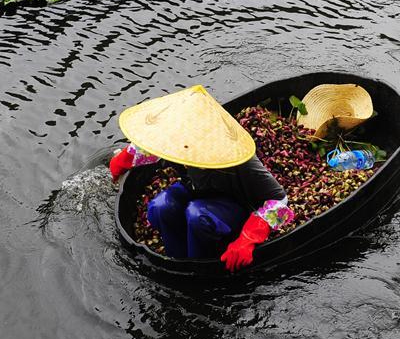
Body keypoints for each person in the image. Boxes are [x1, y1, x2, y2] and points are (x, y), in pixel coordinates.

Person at [109, 85, 293, 272]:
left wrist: (248, 237)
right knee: (160, 207)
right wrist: (122, 161)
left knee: (197, 215)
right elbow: (150, 145)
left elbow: (280, 200)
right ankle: (176, 260)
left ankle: (198, 266)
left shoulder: (237, 156)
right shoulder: (176, 139)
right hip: (194, 191)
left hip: (232, 206)